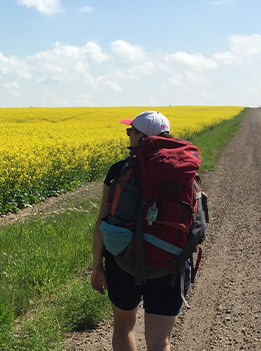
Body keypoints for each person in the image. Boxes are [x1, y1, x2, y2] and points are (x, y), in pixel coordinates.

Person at [90, 111, 183, 351]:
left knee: (123, 327)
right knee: (161, 340)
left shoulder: (119, 170)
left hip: (123, 259)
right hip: (170, 260)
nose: (128, 135)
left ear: (141, 136)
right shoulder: (182, 171)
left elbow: (102, 220)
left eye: (130, 131)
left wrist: (97, 266)